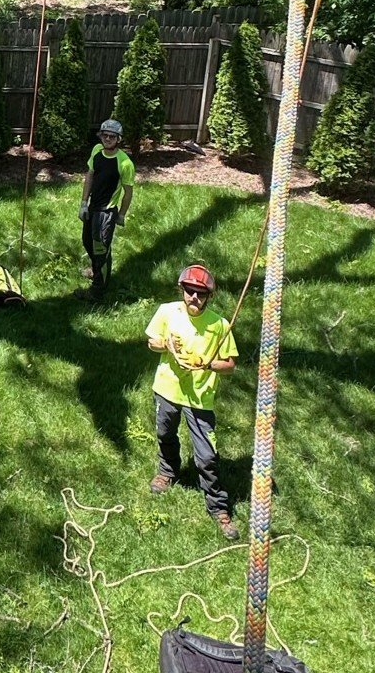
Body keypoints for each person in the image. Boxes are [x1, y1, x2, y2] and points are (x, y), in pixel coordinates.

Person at [146, 263, 240, 539]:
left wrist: (208, 364)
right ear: (182, 290)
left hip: (200, 398)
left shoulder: (219, 325)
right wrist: (168, 346)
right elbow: (151, 341)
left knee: (207, 457)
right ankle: (167, 471)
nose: (193, 298)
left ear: (209, 296)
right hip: (167, 388)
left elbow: (231, 365)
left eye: (200, 293)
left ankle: (219, 508)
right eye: (189, 291)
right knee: (165, 433)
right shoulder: (167, 312)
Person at [76, 118, 134, 300]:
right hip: (92, 207)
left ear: (119, 139)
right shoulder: (96, 151)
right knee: (87, 241)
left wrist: (122, 214)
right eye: (104, 135)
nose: (107, 139)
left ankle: (98, 290)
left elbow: (128, 192)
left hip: (106, 212)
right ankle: (96, 270)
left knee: (101, 248)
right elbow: (90, 175)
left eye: (112, 136)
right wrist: (84, 203)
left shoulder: (125, 163)